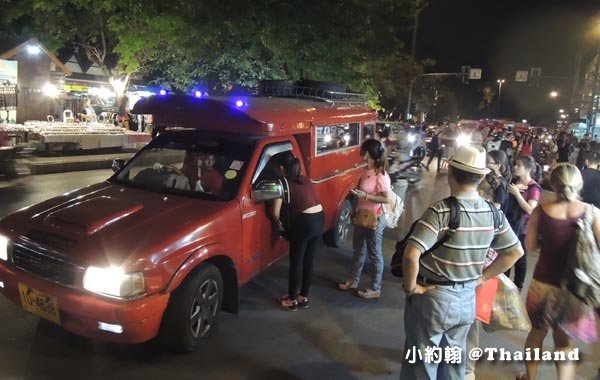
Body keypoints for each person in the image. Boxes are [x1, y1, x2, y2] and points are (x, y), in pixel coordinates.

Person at [400, 145, 523, 379]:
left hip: (434, 298)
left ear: (451, 172)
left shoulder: (441, 211)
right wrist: (483, 277)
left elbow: (410, 255)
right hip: (467, 299)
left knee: (422, 364)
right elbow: (514, 251)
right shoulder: (493, 214)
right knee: (454, 362)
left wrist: (411, 288)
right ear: (481, 177)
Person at [519, 164, 600, 380]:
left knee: (536, 333)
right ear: (578, 183)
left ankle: (530, 377)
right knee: (564, 342)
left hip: (542, 283)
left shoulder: (540, 211)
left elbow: (531, 245)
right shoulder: (592, 212)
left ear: (553, 184)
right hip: (574, 288)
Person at [338, 139, 391, 299]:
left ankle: (375, 288)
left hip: (375, 218)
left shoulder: (381, 175)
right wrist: (355, 209)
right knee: (359, 251)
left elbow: (385, 199)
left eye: (361, 150)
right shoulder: (366, 171)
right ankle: (353, 280)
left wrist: (365, 195)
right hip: (361, 216)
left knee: (375, 255)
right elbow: (361, 195)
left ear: (367, 153)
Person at [272, 152, 324, 311]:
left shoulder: (281, 184)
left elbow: (275, 212)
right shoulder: (305, 179)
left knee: (296, 262)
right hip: (320, 219)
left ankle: (292, 300)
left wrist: (279, 224)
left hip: (304, 223)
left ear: (281, 168)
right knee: (308, 261)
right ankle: (303, 297)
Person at [505, 155, 541, 291]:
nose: (515, 167)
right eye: (516, 164)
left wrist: (517, 194)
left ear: (528, 169)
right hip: (509, 225)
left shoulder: (534, 188)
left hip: (523, 229)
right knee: (505, 255)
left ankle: (517, 287)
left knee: (520, 258)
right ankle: (503, 284)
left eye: (518, 165)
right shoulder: (514, 182)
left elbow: (530, 209)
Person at [487, 150, 511, 214]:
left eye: (488, 162)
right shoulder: (491, 178)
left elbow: (497, 207)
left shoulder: (501, 183)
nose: (485, 164)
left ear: (498, 165)